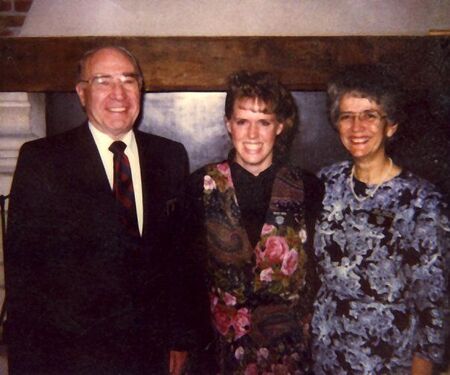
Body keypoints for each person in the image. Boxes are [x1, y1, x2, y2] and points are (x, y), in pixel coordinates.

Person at [5, 46, 191, 374]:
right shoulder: (43, 161)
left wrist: (179, 338)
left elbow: (180, 259)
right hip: (72, 356)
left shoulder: (170, 157)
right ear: (81, 93)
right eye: (103, 81)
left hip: (150, 354)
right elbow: (24, 274)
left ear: (141, 89)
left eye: (128, 81)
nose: (118, 93)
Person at [311, 64, 449, 374]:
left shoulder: (421, 201)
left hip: (388, 358)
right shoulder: (324, 183)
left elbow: (435, 301)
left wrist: (423, 366)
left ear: (390, 126)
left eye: (370, 115)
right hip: (327, 352)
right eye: (347, 116)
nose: (357, 126)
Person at [182, 71, 323, 374]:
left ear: (280, 127)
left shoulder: (308, 187)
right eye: (243, 121)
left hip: (291, 354)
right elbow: (186, 276)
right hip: (222, 355)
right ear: (228, 125)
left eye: (264, 122)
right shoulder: (200, 186)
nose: (253, 134)